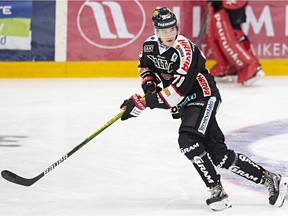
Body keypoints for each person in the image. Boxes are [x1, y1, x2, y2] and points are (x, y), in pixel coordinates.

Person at [120, 7, 288, 211]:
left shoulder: (185, 49)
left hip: (203, 96)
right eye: (163, 30)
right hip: (186, 104)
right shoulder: (149, 46)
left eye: (172, 28)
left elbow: (175, 95)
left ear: (177, 27)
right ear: (156, 31)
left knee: (188, 141)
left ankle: (216, 190)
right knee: (220, 155)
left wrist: (144, 102)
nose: (169, 34)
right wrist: (148, 86)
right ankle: (271, 180)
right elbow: (144, 66)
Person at [206, 0, 264, 85]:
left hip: (229, 3)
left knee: (227, 35)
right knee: (222, 34)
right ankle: (231, 66)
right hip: (226, 4)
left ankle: (250, 65)